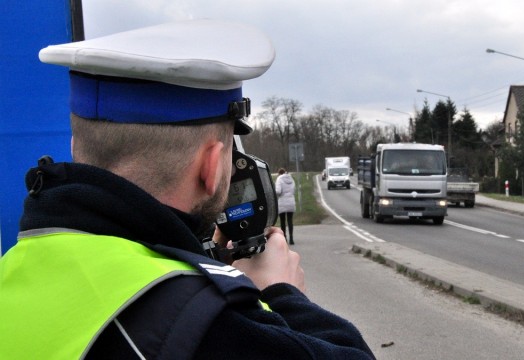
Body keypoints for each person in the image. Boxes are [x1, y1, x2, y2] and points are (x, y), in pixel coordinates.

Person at [0, 20, 374, 359]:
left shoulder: (12, 270)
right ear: (211, 167)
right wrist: (282, 295)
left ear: (75, 149)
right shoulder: (203, 322)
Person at [275, 168, 296, 245]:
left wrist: (275, 194)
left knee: (282, 221)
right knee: (290, 220)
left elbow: (278, 191)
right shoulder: (291, 179)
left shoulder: (279, 179)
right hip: (291, 201)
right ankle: (291, 238)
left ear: (279, 173)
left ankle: (284, 238)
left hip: (282, 202)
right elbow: (294, 190)